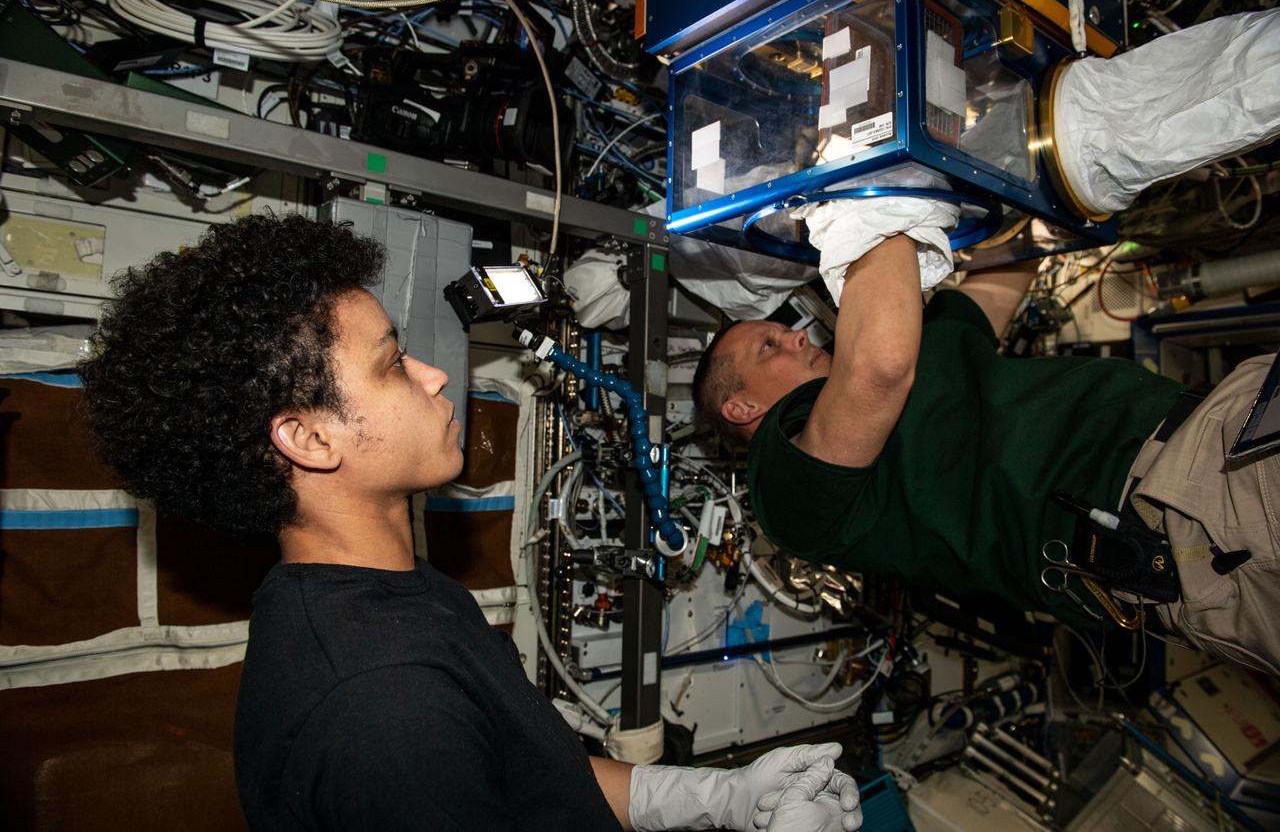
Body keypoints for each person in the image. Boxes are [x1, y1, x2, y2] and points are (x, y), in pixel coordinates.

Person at [77, 212, 862, 831]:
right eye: (392, 364)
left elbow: (538, 777)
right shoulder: (380, 706)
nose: (433, 375)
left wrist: (715, 796)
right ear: (309, 439)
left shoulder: (392, 595)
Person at [693, 233, 1280, 675]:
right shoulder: (784, 485)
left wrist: (1037, 207)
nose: (796, 335)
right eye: (769, 346)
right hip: (1189, 513)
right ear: (742, 407)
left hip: (1216, 431)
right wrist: (875, 210)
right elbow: (880, 368)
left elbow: (998, 282)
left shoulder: (914, 355)